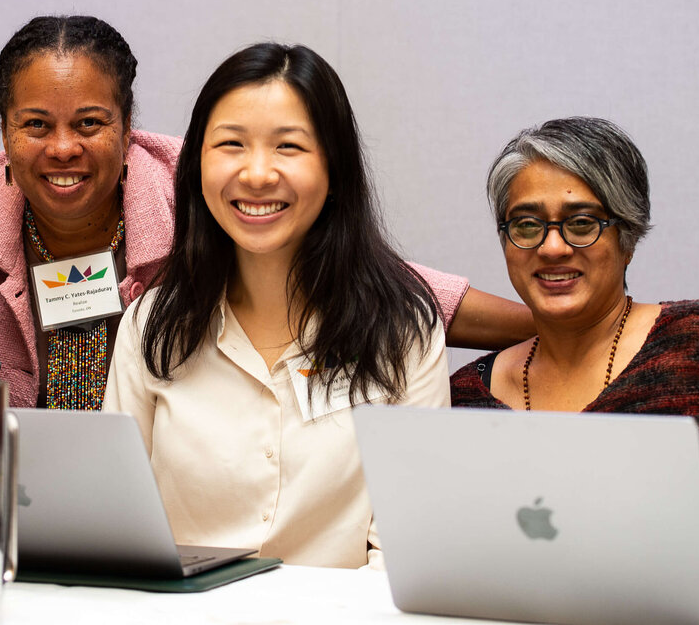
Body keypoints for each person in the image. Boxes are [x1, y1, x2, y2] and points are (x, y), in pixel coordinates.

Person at [0, 15, 534, 410]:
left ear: (128, 126)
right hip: (18, 493)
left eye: (90, 123)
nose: (63, 148)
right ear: (3, 129)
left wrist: (545, 325)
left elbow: (378, 275)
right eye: (35, 125)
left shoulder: (205, 184)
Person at [104, 43, 452, 569]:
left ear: (334, 168)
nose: (258, 173)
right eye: (231, 145)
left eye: (288, 147)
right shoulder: (153, 324)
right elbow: (121, 522)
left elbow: (406, 545)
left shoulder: (403, 330)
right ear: (197, 162)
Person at [448, 116, 699, 591]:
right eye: (526, 225)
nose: (551, 247)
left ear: (626, 239)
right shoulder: (464, 398)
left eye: (582, 223)